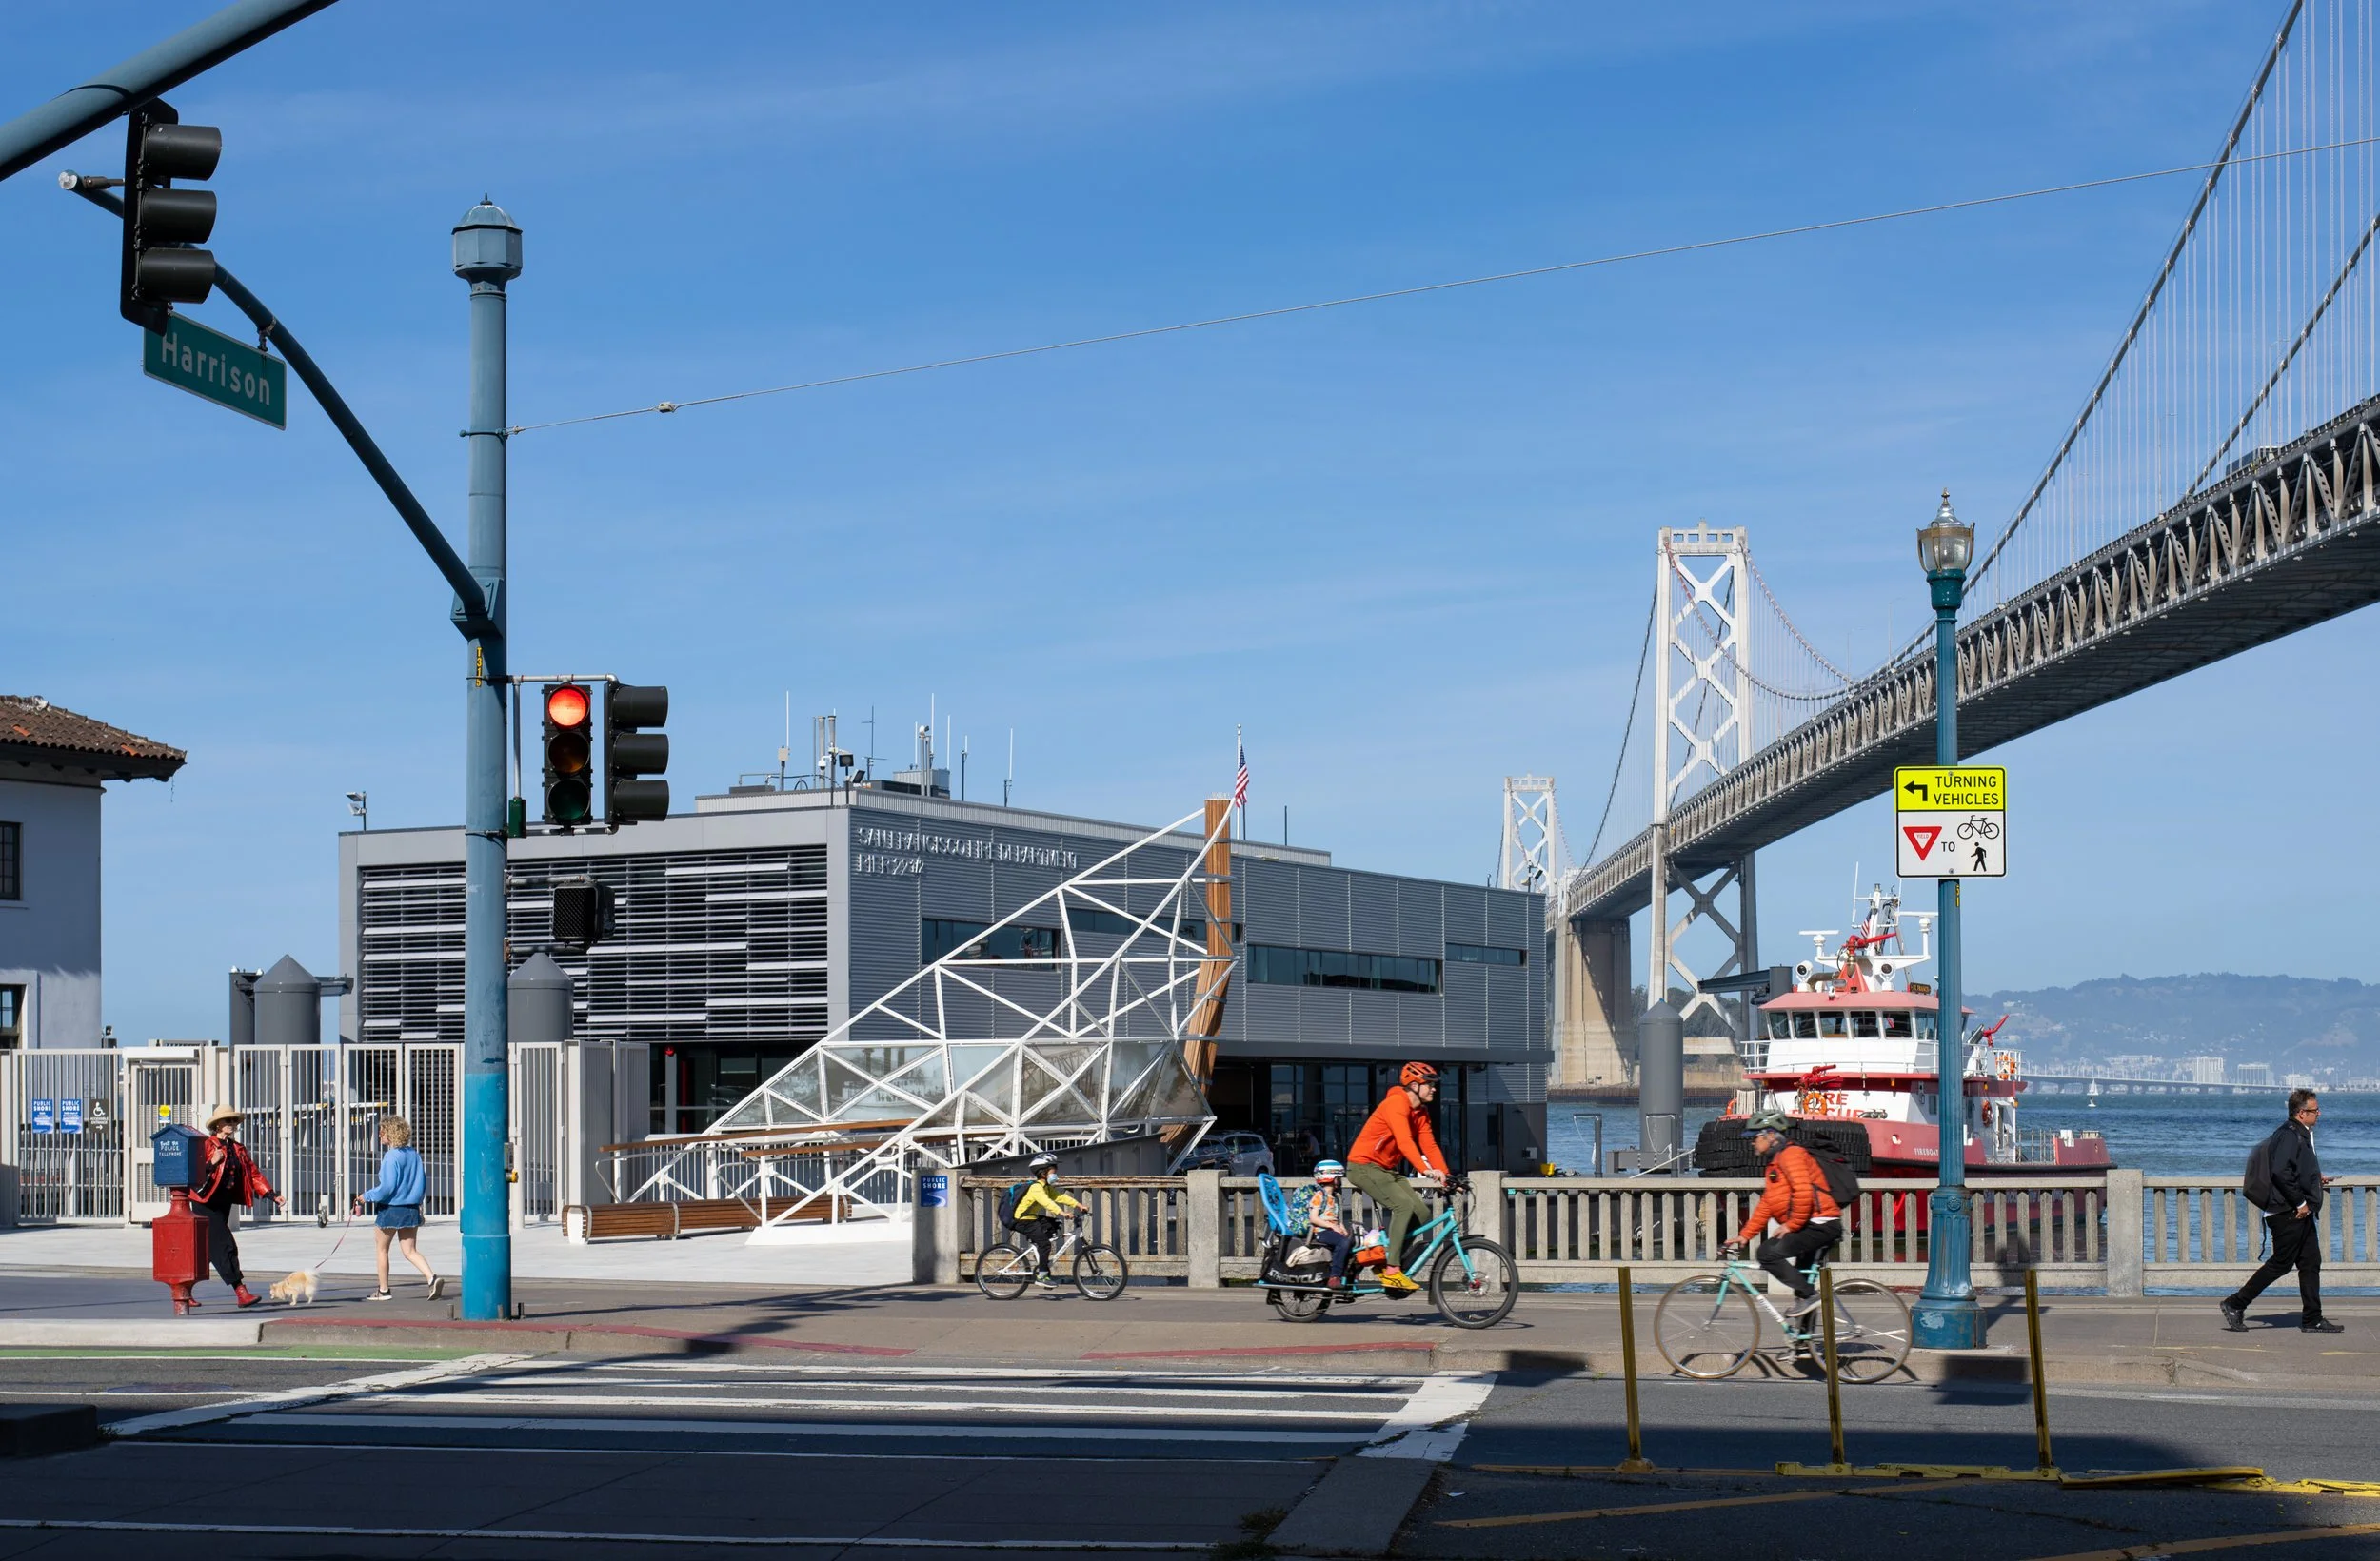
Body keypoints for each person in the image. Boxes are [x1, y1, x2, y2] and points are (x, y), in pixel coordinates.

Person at [2224, 1089, 2340, 1334]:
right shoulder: (2289, 1135)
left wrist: (2315, 1178)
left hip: (2298, 1211)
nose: (2319, 1113)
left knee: (2310, 1262)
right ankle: (2235, 1303)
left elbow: (2294, 1169)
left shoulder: (2300, 1134)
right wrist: (2300, 1203)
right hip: (2288, 1212)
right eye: (2314, 1110)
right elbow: (2280, 1172)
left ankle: (2312, 1319)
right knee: (2280, 1264)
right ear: (2300, 1113)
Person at [1722, 1111, 1842, 1319]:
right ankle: (1804, 1348)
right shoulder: (1774, 1163)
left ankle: (1809, 1296)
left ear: (1770, 1136)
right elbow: (1768, 1203)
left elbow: (1804, 1192)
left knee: (1767, 1253)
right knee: (1802, 1286)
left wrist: (1791, 1225)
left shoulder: (1791, 1155)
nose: (1752, 1143)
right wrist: (1745, 1235)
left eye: (1755, 1137)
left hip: (1821, 1223)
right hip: (1811, 1224)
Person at [1346, 1062, 1448, 1294]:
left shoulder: (1420, 1112)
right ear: (1414, 1085)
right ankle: (1392, 1271)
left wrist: (1447, 1177)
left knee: (1422, 1214)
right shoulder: (1396, 1104)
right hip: (1363, 1166)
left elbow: (1429, 1145)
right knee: (1402, 1206)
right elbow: (1404, 1142)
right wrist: (1426, 1169)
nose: (1434, 1089)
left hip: (1386, 1169)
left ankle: (1389, 1258)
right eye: (1429, 1084)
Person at [191, 1104, 283, 1309]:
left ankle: (183, 1290)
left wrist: (271, 1195)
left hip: (223, 1203)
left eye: (234, 1121)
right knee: (225, 1246)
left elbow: (253, 1173)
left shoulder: (238, 1148)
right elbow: (194, 1173)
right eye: (227, 1121)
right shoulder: (207, 1145)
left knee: (205, 1252)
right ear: (217, 1125)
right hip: (204, 1203)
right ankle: (240, 1291)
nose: (232, 1124)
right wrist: (212, 1163)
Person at [352, 1116, 441, 1301]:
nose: (379, 1136)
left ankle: (383, 1290)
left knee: (382, 1249)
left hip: (392, 1209)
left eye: (382, 1132)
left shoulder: (391, 1156)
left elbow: (387, 1188)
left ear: (390, 1134)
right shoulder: (413, 1154)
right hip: (411, 1208)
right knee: (410, 1251)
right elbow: (422, 1182)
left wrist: (366, 1196)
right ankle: (432, 1278)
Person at [1009, 1153, 1084, 1286]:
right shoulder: (1036, 1188)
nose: (1055, 1173)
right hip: (1022, 1220)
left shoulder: (1047, 1187)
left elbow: (1059, 1197)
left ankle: (1040, 1254)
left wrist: (1078, 1205)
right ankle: (1042, 1275)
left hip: (1032, 1218)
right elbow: (1047, 1203)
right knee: (1045, 1244)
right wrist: (1062, 1212)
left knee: (1055, 1224)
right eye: (1053, 1171)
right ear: (1043, 1173)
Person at [1295, 1159, 1354, 1288]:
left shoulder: (1334, 1197)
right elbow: (1313, 1218)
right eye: (1339, 1177)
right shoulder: (1319, 1195)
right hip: (1321, 1232)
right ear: (1332, 1178)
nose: (1341, 1180)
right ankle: (1334, 1277)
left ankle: (1347, 1276)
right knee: (1343, 1242)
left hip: (1331, 1230)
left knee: (1353, 1241)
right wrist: (1332, 1226)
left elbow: (1336, 1218)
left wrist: (1341, 1228)